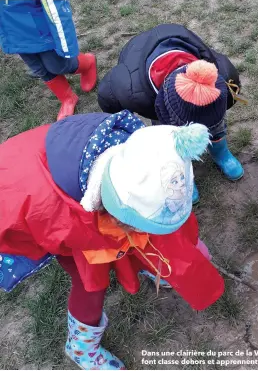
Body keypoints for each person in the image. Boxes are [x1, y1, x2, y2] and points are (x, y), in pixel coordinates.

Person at [0, 109, 225, 370]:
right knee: (89, 282)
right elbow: (45, 228)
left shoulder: (144, 155)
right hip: (35, 201)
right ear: (110, 206)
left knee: (142, 242)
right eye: (134, 225)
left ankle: (146, 262)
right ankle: (81, 347)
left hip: (71, 179)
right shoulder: (51, 210)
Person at [98, 24, 244, 204]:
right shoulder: (135, 92)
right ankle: (181, 172)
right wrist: (117, 122)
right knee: (169, 140)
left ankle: (220, 153)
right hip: (141, 66)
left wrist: (216, 118)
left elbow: (229, 96)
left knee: (216, 127)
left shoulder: (222, 73)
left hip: (178, 55)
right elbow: (107, 94)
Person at [0, 0, 97, 120]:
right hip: (13, 34)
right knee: (39, 69)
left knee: (58, 66)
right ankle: (67, 98)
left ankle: (87, 63)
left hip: (39, 31)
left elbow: (55, 3)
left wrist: (66, 42)